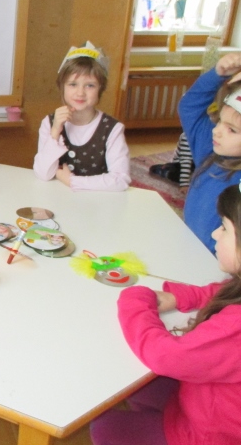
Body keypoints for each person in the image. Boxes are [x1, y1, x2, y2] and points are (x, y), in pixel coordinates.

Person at [90, 182, 241, 445]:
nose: (215, 234)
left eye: (225, 228)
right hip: (208, 400)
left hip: (207, 434)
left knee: (104, 427)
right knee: (139, 388)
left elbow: (166, 357)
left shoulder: (236, 329)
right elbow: (225, 291)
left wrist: (134, 301)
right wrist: (179, 296)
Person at [33, 41, 131, 191]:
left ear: (100, 89)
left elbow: (120, 180)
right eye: (73, 84)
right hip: (58, 200)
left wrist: (72, 181)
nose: (80, 93)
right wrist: (55, 132)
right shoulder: (50, 122)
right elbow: (42, 174)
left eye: (90, 85)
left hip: (98, 205)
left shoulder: (112, 129)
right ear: (62, 87)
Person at [178, 52, 241, 255]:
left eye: (232, 129)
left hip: (219, 269)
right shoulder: (210, 150)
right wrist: (217, 74)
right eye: (220, 121)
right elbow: (189, 107)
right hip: (187, 250)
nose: (217, 130)